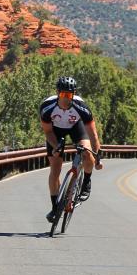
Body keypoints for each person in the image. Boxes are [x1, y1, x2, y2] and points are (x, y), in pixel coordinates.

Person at [40, 76, 103, 223]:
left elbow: (93, 134)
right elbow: (48, 132)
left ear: (73, 94)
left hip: (76, 127)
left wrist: (98, 157)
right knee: (55, 169)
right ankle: (55, 207)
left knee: (87, 153)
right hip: (55, 132)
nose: (65, 99)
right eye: (63, 94)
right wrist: (56, 147)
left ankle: (86, 182)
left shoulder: (81, 107)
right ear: (57, 93)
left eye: (69, 95)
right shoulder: (47, 107)